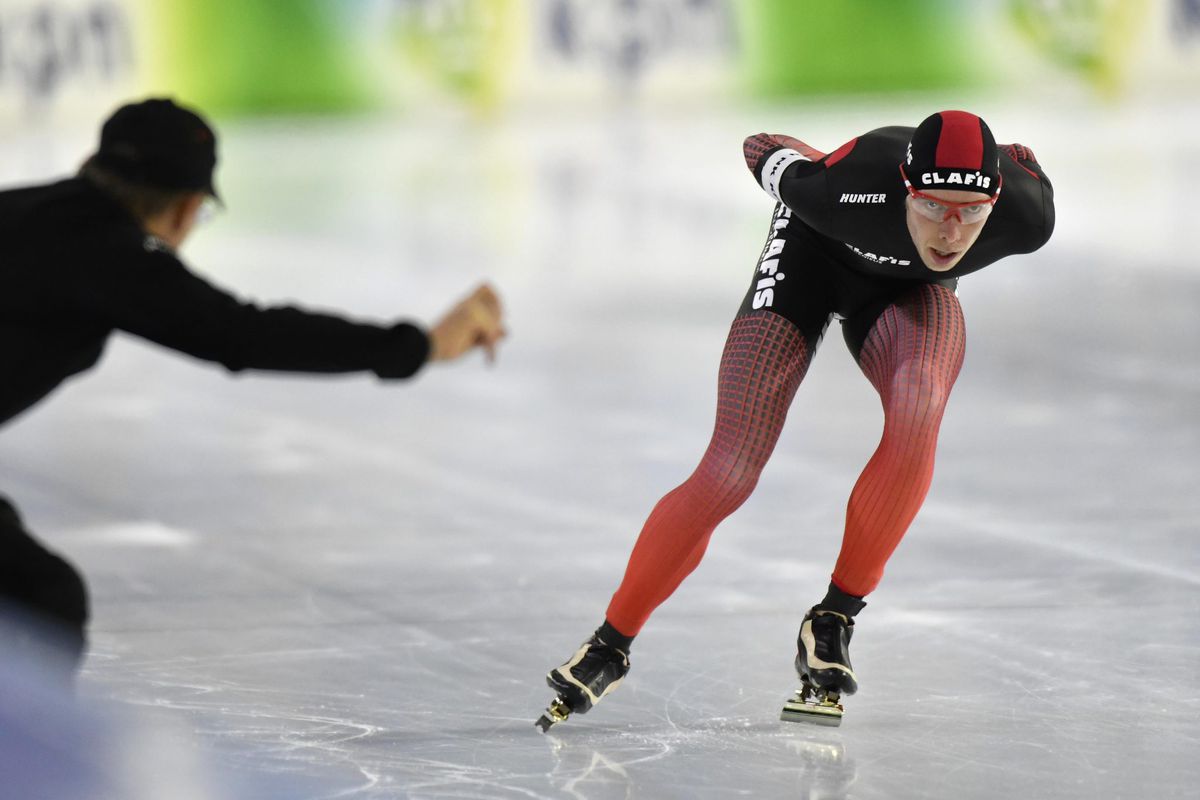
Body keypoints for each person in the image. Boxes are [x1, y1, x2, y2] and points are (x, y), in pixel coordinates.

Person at [537, 110, 1054, 729]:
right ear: (906, 189)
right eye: (934, 206)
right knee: (731, 467)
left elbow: (1019, 155)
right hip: (810, 258)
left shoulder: (1028, 215)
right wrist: (817, 163)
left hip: (908, 292)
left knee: (921, 403)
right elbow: (760, 144)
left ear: (995, 197)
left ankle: (833, 618)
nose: (951, 231)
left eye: (971, 210)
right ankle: (608, 645)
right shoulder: (842, 190)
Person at [0, 98, 506, 682]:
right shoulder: (112, 256)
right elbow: (243, 334)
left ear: (94, 161)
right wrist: (420, 345)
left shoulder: (26, 211)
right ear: (189, 209)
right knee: (41, 596)